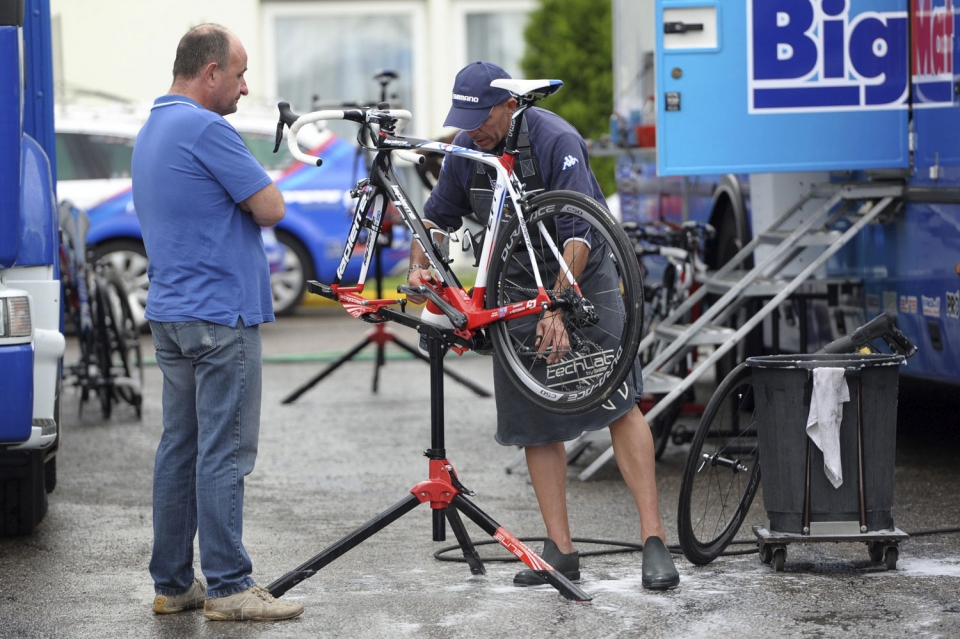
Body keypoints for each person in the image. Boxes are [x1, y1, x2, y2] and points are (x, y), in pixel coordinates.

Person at [406, 62, 680, 590]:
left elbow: (580, 228)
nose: (473, 128)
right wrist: (423, 265)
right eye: (464, 117)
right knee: (536, 417)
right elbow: (437, 215)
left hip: (581, 272)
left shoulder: (556, 139)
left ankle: (654, 539)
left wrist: (558, 303)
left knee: (616, 402)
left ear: (509, 105)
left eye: (481, 116)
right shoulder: (469, 148)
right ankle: (561, 549)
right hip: (515, 283)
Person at [132, 24, 303, 621]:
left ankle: (174, 584)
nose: (245, 87)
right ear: (210, 73)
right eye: (239, 74)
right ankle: (231, 586)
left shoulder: (152, 127)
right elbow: (270, 207)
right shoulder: (206, 127)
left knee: (178, 449)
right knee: (225, 453)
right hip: (219, 315)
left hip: (173, 314)